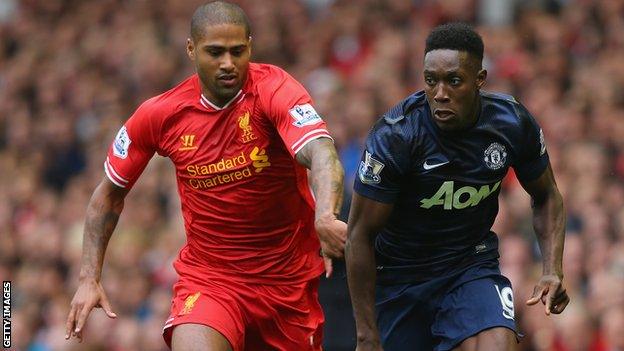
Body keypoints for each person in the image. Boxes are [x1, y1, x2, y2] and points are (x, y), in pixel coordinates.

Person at [64, 2, 347, 350]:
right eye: (215, 52)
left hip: (286, 284)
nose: (228, 63)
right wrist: (88, 278)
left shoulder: (275, 89)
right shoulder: (160, 114)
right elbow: (107, 195)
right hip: (211, 280)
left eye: (237, 51)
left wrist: (325, 214)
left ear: (250, 47)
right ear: (191, 49)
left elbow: (320, 150)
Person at [345, 23, 569, 351]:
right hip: (400, 277)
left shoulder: (511, 123)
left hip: (469, 265)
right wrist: (366, 336)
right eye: (431, 80)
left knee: (496, 343)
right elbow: (359, 236)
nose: (439, 93)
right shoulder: (396, 137)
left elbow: (546, 195)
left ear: (479, 79)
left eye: (453, 81)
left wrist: (552, 269)